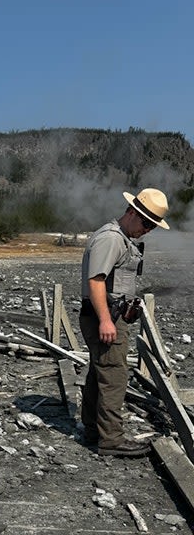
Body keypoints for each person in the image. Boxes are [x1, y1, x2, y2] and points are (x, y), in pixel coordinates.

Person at [78, 187, 169, 459]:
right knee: (114, 375)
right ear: (131, 212)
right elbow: (95, 281)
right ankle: (111, 440)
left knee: (100, 372)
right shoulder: (111, 239)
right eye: (146, 223)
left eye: (152, 226)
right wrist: (106, 320)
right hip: (105, 317)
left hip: (108, 315)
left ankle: (94, 430)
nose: (148, 230)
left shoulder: (121, 238)